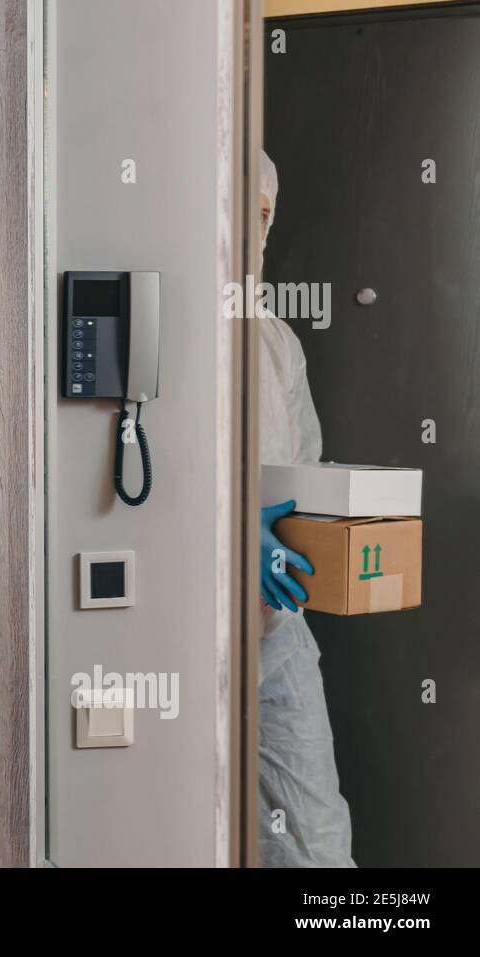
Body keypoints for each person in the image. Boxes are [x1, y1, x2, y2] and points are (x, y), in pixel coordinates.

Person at [256, 150, 355, 867]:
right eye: (240, 210)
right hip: (180, 630)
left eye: (265, 214)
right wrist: (231, 540)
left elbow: (309, 465)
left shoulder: (277, 342)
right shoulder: (161, 325)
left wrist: (320, 530)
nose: (255, 227)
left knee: (315, 843)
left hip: (279, 625)